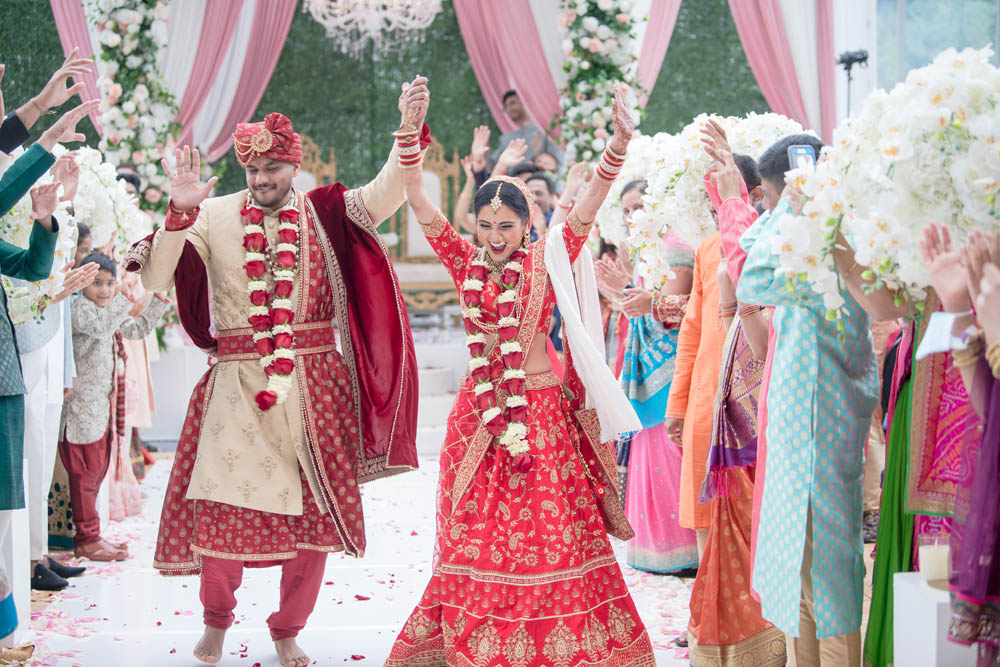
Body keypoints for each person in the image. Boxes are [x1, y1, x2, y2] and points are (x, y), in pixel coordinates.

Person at [128, 78, 428, 667]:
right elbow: (155, 281)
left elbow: (388, 193)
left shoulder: (326, 213)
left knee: (311, 524)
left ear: (293, 165)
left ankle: (288, 629)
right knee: (220, 510)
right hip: (236, 385)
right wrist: (178, 214)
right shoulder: (210, 215)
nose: (260, 179)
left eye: (271, 168)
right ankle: (216, 621)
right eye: (252, 170)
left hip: (314, 390)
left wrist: (407, 134)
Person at [386, 87, 656, 666]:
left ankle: (562, 639)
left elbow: (587, 206)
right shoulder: (467, 263)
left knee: (551, 527)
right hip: (480, 418)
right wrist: (409, 134)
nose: (495, 237)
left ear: (526, 223)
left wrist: (619, 144)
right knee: (476, 532)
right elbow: (418, 201)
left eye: (506, 225)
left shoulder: (546, 258)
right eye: (485, 225)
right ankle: (478, 637)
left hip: (540, 414)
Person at [718, 132, 877, 666]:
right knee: (800, 576)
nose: (765, 211)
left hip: (818, 427)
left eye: (769, 198)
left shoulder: (823, 237)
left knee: (826, 577)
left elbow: (752, 277)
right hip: (800, 427)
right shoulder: (805, 232)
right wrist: (754, 206)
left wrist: (738, 209)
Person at [686, 133, 785, 664]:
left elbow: (753, 330)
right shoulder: (727, 261)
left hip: (765, 404)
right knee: (738, 527)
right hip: (738, 403)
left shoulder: (763, 255)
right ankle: (750, 640)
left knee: (762, 529)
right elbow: (719, 333)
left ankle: (771, 637)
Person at [18, 154, 98, 591]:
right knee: (29, 451)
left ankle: (38, 554)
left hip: (49, 335)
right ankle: (28, 559)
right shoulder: (10, 186)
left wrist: (65, 199)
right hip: (24, 332)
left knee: (43, 448)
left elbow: (60, 268)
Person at [613, 179, 699, 574]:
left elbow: (678, 312)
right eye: (626, 211)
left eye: (638, 208)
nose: (632, 218)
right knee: (652, 447)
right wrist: (624, 292)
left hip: (675, 364)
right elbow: (642, 308)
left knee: (671, 448)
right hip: (651, 365)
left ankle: (685, 550)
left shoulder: (678, 244)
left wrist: (627, 293)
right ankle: (659, 551)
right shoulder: (648, 251)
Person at [58, 251, 167, 561]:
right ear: (82, 284)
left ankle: (93, 536)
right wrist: (123, 295)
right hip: (80, 411)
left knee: (95, 474)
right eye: (97, 284)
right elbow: (103, 327)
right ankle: (86, 540)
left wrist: (157, 299)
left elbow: (136, 330)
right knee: (83, 476)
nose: (105, 290)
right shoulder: (80, 308)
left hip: (100, 409)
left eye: (110, 283)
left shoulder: (104, 310)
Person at [471, 91, 564, 183]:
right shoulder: (506, 139)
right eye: (506, 107)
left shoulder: (542, 130)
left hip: (540, 187)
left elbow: (558, 162)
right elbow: (493, 169)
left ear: (525, 101)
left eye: (512, 103)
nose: (509, 108)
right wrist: (485, 152)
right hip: (516, 191)